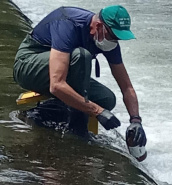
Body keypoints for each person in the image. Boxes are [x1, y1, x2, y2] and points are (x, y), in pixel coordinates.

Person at [13, 5, 147, 147]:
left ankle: (52, 110)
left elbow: (126, 86)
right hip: (28, 66)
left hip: (62, 71)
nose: (115, 41)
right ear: (98, 25)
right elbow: (56, 85)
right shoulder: (68, 24)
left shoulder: (107, 40)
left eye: (118, 38)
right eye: (113, 36)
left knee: (106, 98)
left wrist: (136, 120)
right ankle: (71, 126)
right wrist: (96, 111)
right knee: (81, 56)